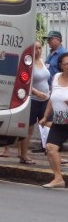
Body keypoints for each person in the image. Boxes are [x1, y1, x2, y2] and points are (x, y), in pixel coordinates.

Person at [38, 51, 68, 188]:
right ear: (61, 65)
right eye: (66, 63)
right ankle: (58, 178)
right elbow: (51, 98)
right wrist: (45, 116)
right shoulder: (55, 77)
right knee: (50, 148)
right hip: (59, 120)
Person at [18, 40, 50, 164]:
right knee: (29, 129)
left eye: (40, 48)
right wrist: (37, 93)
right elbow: (24, 81)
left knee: (47, 126)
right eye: (35, 48)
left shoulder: (42, 61)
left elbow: (46, 79)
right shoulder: (28, 63)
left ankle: (51, 154)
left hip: (45, 100)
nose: (38, 51)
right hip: (33, 100)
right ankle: (24, 155)